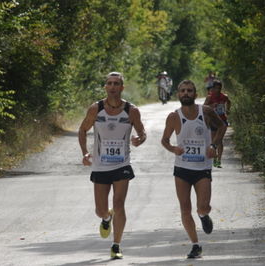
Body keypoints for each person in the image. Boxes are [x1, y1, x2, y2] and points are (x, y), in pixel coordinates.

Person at [78, 72, 146, 259]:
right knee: (100, 210)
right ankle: (106, 218)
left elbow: (142, 132)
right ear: (105, 87)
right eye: (109, 83)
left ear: (122, 87)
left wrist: (139, 139)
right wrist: (84, 152)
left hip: (121, 165)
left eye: (116, 83)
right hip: (100, 165)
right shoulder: (95, 109)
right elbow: (83, 130)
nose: (113, 86)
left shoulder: (132, 111)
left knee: (119, 204)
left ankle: (116, 245)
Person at [161, 80, 226, 259]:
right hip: (182, 168)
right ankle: (195, 245)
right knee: (184, 208)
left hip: (202, 167)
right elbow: (164, 140)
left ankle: (204, 215)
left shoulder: (205, 112)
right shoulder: (174, 117)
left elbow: (222, 126)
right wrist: (173, 149)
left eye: (189, 90)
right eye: (183, 91)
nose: (186, 93)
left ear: (195, 95)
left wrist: (213, 144)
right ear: (178, 95)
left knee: (203, 206)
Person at [204, 80, 231, 168]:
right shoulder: (209, 97)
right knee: (214, 141)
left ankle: (219, 160)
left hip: (222, 121)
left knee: (220, 141)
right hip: (213, 121)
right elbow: (204, 107)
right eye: (216, 88)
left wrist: (227, 110)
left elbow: (229, 102)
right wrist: (212, 106)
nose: (217, 90)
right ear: (212, 88)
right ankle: (214, 159)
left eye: (219, 88)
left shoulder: (224, 96)